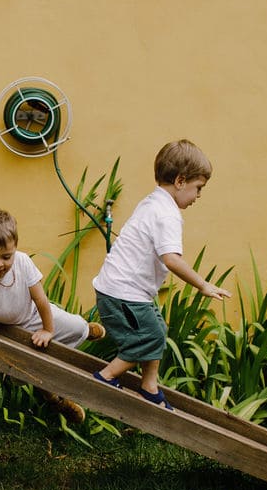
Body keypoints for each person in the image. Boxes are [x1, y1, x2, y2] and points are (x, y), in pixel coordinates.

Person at [91, 139, 231, 411]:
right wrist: (202, 285)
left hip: (125, 291)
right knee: (149, 337)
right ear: (180, 180)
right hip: (122, 293)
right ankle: (106, 377)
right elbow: (171, 259)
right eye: (198, 188)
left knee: (158, 328)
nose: (198, 196)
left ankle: (149, 386)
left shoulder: (153, 202)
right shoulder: (166, 214)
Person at [0, 208, 106, 422]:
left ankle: (86, 330)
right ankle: (54, 398)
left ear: (15, 247)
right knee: (31, 366)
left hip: (32, 316)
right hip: (3, 331)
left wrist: (47, 329)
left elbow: (40, 300)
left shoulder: (22, 262)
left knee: (72, 325)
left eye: (6, 256)